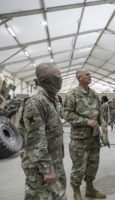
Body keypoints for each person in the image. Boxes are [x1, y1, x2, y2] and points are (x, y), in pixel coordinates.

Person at [18, 63, 67, 200]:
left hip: (53, 160)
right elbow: (35, 139)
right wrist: (47, 169)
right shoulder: (35, 102)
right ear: (47, 79)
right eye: (58, 76)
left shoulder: (49, 100)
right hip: (40, 166)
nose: (61, 79)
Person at [63, 68, 107, 200]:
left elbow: (98, 113)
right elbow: (66, 114)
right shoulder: (72, 94)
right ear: (79, 78)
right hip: (79, 139)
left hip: (94, 137)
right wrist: (85, 121)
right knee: (79, 167)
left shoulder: (93, 93)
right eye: (87, 75)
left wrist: (103, 123)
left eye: (90, 74)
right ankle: (76, 192)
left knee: (93, 164)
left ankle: (89, 188)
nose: (90, 76)